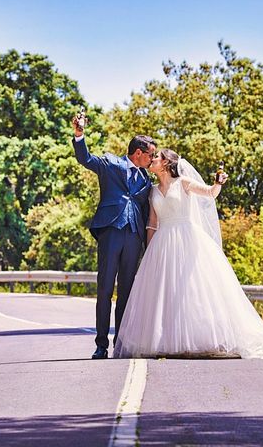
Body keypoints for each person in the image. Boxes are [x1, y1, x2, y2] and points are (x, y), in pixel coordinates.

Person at [113, 149, 263, 360]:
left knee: (191, 290)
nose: (152, 160)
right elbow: (152, 222)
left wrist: (218, 183)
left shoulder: (183, 183)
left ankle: (196, 339)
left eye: (156, 157)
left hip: (187, 238)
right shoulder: (153, 190)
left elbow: (209, 193)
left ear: (166, 163)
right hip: (163, 242)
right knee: (166, 293)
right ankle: (165, 340)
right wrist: (149, 250)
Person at [72, 112, 157, 359]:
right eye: (150, 154)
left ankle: (120, 343)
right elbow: (85, 158)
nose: (152, 159)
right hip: (111, 232)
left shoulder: (145, 179)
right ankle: (101, 345)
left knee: (127, 293)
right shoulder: (111, 164)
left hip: (133, 238)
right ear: (138, 153)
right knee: (105, 290)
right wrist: (79, 135)